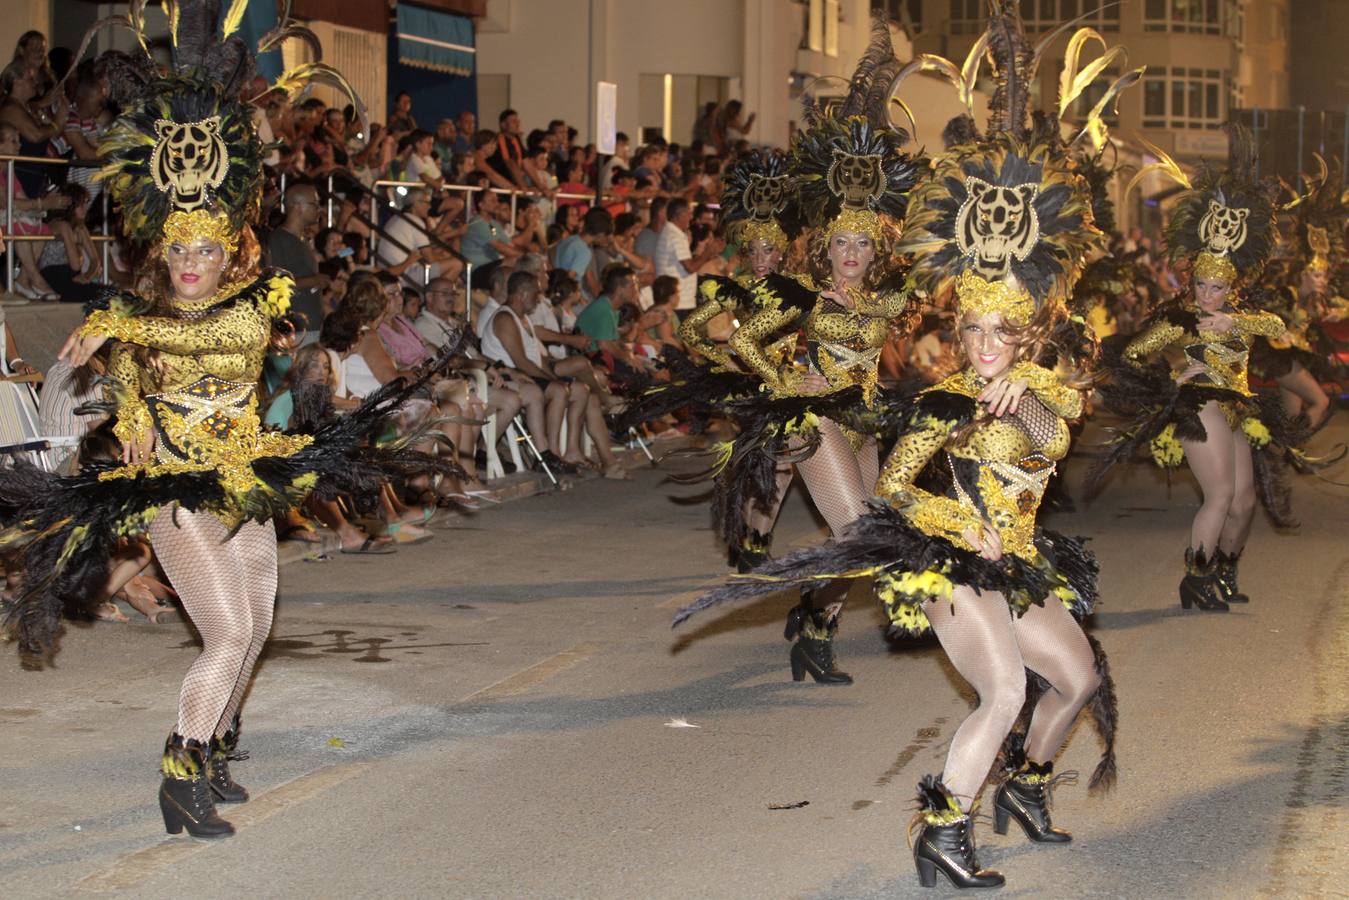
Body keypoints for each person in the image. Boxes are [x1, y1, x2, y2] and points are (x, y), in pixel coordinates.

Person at [684, 15, 1119, 888]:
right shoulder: (942, 399)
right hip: (952, 559)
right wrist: (963, 524)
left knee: (1074, 681)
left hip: (1018, 558)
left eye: (999, 332)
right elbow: (893, 488)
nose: (984, 345)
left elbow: (1048, 439)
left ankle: (1026, 787)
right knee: (1000, 692)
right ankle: (942, 832)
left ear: (1025, 331)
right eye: (971, 331)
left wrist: (1024, 399)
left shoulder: (1049, 393)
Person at [1, 19, 441, 841]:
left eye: (207, 248)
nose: (192, 262)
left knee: (260, 621)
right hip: (175, 492)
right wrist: (128, 407)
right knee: (229, 630)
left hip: (243, 479)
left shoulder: (248, 308)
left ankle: (215, 750)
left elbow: (201, 341)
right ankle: (179, 771)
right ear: (162, 255)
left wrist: (121, 316)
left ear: (230, 250)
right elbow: (133, 372)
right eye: (179, 252)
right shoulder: (149, 311)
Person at [722, 78, 922, 683]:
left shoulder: (884, 302)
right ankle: (811, 620)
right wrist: (787, 377)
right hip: (817, 419)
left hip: (866, 419)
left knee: (871, 539)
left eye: (863, 242)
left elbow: (929, 277)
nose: (852, 252)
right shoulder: (805, 294)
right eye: (842, 241)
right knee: (858, 532)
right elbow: (741, 338)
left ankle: (815, 621)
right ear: (824, 245)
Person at [1097, 129, 1290, 613]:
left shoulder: (1243, 312)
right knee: (1221, 494)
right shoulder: (1178, 317)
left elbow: (1281, 326)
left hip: (1237, 405)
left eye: (1216, 288)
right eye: (1201, 285)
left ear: (1232, 286)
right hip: (1198, 405)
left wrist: (1235, 320)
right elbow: (1128, 355)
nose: (1207, 295)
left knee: (1245, 502)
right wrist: (1170, 381)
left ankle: (1224, 568)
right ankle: (1195, 578)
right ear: (1192, 279)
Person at [266, 182, 328, 340]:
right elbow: (275, 283)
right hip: (295, 329)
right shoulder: (279, 240)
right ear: (298, 206)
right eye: (314, 204)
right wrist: (314, 281)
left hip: (311, 325)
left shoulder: (303, 240)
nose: (318, 209)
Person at [655, 198, 725, 311]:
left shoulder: (673, 233)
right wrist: (707, 252)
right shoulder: (674, 236)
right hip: (679, 302)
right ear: (680, 215)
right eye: (689, 213)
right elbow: (690, 267)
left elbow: (692, 263)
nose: (691, 217)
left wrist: (710, 253)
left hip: (681, 301)